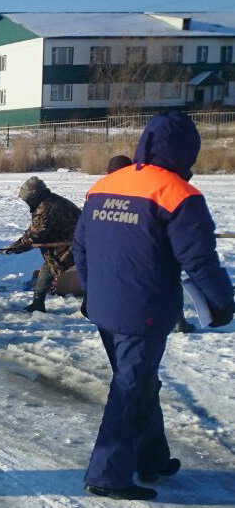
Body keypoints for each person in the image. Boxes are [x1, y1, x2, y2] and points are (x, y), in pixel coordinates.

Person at [73, 112, 234, 501]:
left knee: (141, 381)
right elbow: (199, 259)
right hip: (142, 310)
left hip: (104, 306)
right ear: (187, 151)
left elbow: (80, 246)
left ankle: (151, 458)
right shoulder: (178, 193)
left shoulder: (105, 184)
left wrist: (93, 293)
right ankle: (108, 474)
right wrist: (222, 302)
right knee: (130, 386)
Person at [106, 154, 196, 334]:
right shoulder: (142, 182)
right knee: (165, 283)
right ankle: (175, 320)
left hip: (144, 243)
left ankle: (172, 320)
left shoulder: (118, 188)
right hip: (150, 243)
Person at [4, 176, 81, 312]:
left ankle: (39, 303)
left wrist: (17, 247)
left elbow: (36, 235)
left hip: (72, 243)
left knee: (54, 266)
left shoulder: (47, 207)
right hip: (66, 242)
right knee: (49, 267)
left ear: (34, 196)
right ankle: (38, 303)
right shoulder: (48, 201)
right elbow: (36, 228)